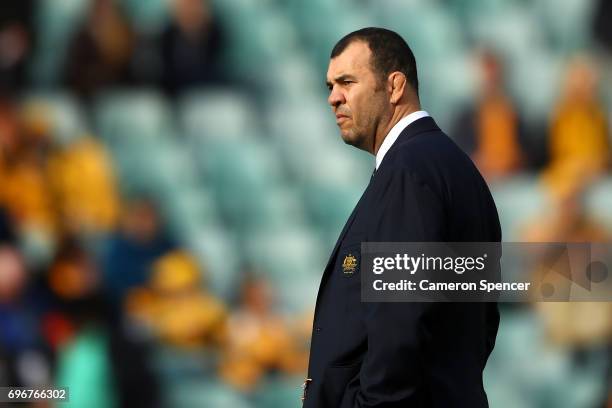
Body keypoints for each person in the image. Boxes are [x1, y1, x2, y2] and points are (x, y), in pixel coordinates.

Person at [304, 28, 501, 407]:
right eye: (330, 85)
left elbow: (400, 323)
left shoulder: (410, 170)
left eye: (347, 82)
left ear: (394, 86)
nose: (333, 97)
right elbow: (482, 325)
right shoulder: (452, 166)